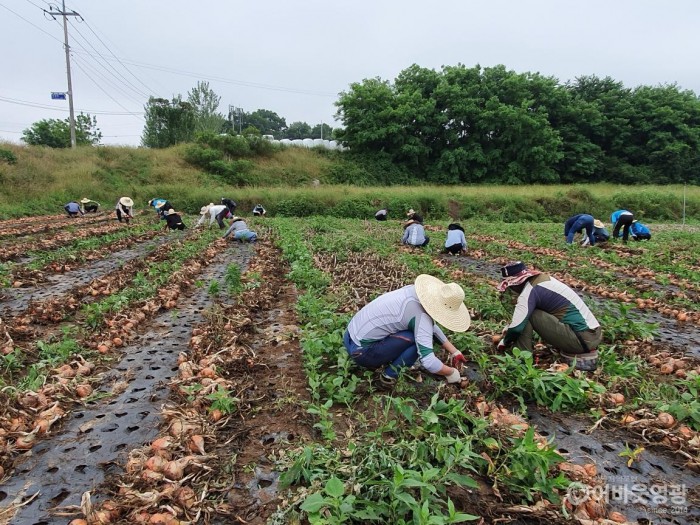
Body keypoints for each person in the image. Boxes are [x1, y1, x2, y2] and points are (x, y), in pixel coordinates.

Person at [343, 274, 470, 385]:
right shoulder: (421, 317)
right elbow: (428, 362)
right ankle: (388, 377)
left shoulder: (411, 292)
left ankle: (385, 358)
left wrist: (454, 351)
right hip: (361, 353)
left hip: (349, 336)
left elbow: (429, 326)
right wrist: (451, 372)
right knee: (415, 339)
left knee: (415, 332)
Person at [496, 261, 602, 371]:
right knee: (530, 313)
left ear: (515, 284)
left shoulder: (529, 292)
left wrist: (504, 342)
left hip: (581, 340)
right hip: (593, 335)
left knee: (531, 315)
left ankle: (521, 359)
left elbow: (516, 328)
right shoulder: (544, 280)